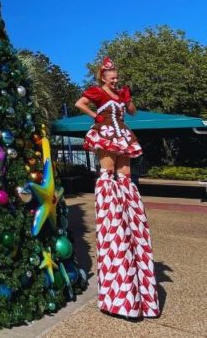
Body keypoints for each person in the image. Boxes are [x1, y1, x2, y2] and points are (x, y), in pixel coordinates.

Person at [74, 57, 160, 319]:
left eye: (116, 75)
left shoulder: (121, 92)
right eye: (111, 75)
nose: (115, 78)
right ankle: (110, 197)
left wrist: (128, 99)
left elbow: (132, 111)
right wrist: (95, 115)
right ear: (103, 77)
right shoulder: (97, 92)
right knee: (108, 170)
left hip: (122, 130)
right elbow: (80, 103)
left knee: (126, 172)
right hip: (105, 130)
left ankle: (126, 196)